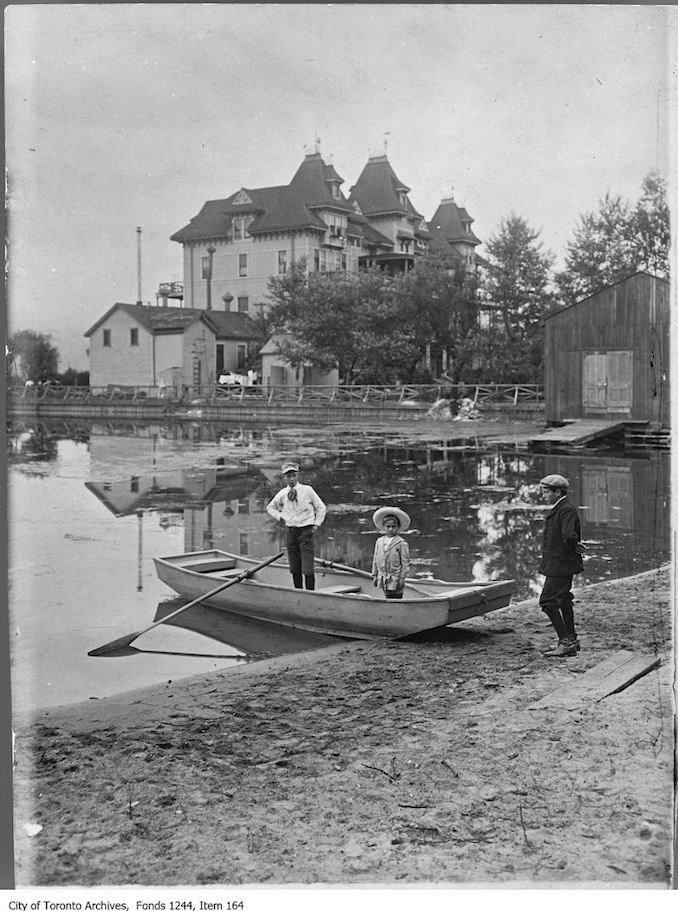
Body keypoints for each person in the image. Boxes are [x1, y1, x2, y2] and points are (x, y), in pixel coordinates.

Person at [538, 474, 587, 658]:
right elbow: (569, 536)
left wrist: (574, 545)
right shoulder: (563, 508)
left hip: (561, 565)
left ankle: (565, 642)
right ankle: (572, 639)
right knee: (564, 599)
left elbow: (568, 535)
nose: (544, 496)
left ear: (557, 492)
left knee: (547, 602)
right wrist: (575, 545)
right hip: (563, 564)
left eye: (546, 492)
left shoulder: (565, 509)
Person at [266, 461, 326, 590]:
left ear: (298, 476)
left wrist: (316, 525)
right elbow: (270, 508)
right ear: (284, 478)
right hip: (291, 532)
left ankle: (311, 593)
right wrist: (280, 517)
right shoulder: (282, 494)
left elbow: (321, 508)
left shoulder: (307, 490)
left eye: (294, 475)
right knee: (294, 566)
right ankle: (298, 592)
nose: (291, 478)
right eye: (288, 476)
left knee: (308, 566)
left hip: (306, 531)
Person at [371, 507, 411, 599]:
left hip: (395, 576)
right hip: (383, 576)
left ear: (398, 527)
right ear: (383, 527)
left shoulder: (401, 543)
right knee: (387, 595)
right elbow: (375, 559)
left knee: (396, 595)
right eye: (388, 527)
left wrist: (402, 578)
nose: (390, 529)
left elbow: (405, 563)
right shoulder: (379, 541)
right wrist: (375, 575)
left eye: (393, 527)